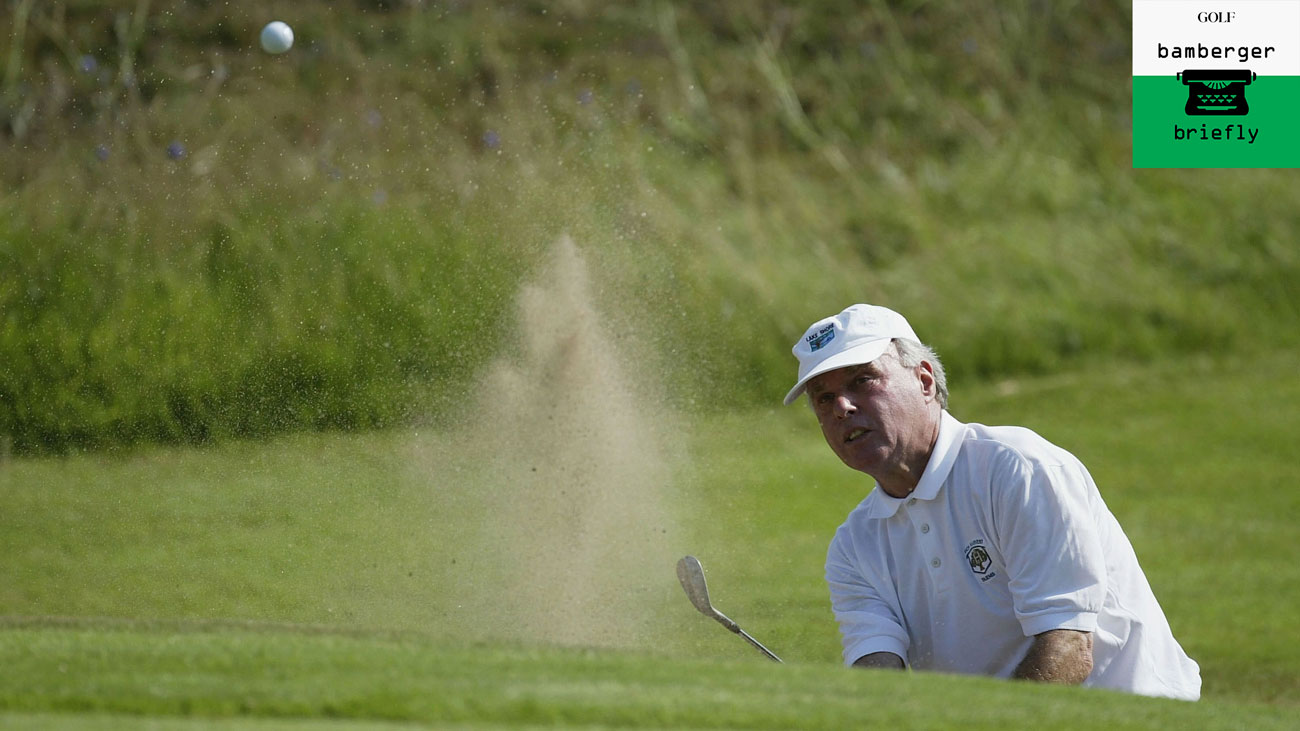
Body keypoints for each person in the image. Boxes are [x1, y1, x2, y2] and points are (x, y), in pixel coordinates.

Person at [783, 303, 1201, 700]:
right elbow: (878, 673)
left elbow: (1068, 650)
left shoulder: (1019, 469)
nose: (842, 407)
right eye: (823, 398)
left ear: (925, 381)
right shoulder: (854, 546)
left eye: (863, 380)